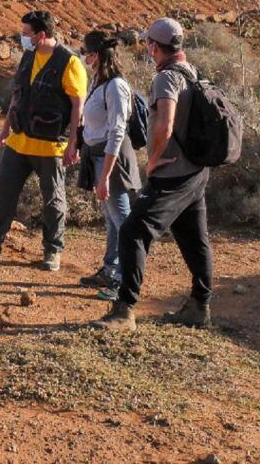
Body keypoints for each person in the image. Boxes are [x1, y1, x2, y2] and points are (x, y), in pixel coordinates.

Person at [93, 17, 212, 331]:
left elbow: (165, 123)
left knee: (132, 231)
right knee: (194, 238)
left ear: (155, 46)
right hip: (196, 171)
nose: (147, 47)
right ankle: (199, 306)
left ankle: (124, 310)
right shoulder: (192, 72)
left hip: (172, 174)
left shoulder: (166, 78)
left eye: (148, 42)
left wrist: (154, 159)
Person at [0, 10, 87, 271]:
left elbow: (77, 107)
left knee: (53, 201)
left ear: (41, 34)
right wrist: (5, 128)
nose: (22, 38)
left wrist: (74, 143)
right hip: (18, 141)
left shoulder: (70, 62)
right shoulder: (28, 56)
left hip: (51, 146)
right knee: (2, 196)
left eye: (26, 33)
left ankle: (52, 251)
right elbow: (18, 96)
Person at [76, 31, 141, 300]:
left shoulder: (115, 86)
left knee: (123, 221)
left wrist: (105, 176)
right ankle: (111, 269)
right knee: (112, 219)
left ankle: (125, 280)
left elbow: (117, 131)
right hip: (97, 156)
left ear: (96, 55)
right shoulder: (99, 81)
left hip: (110, 159)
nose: (83, 56)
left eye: (85, 52)